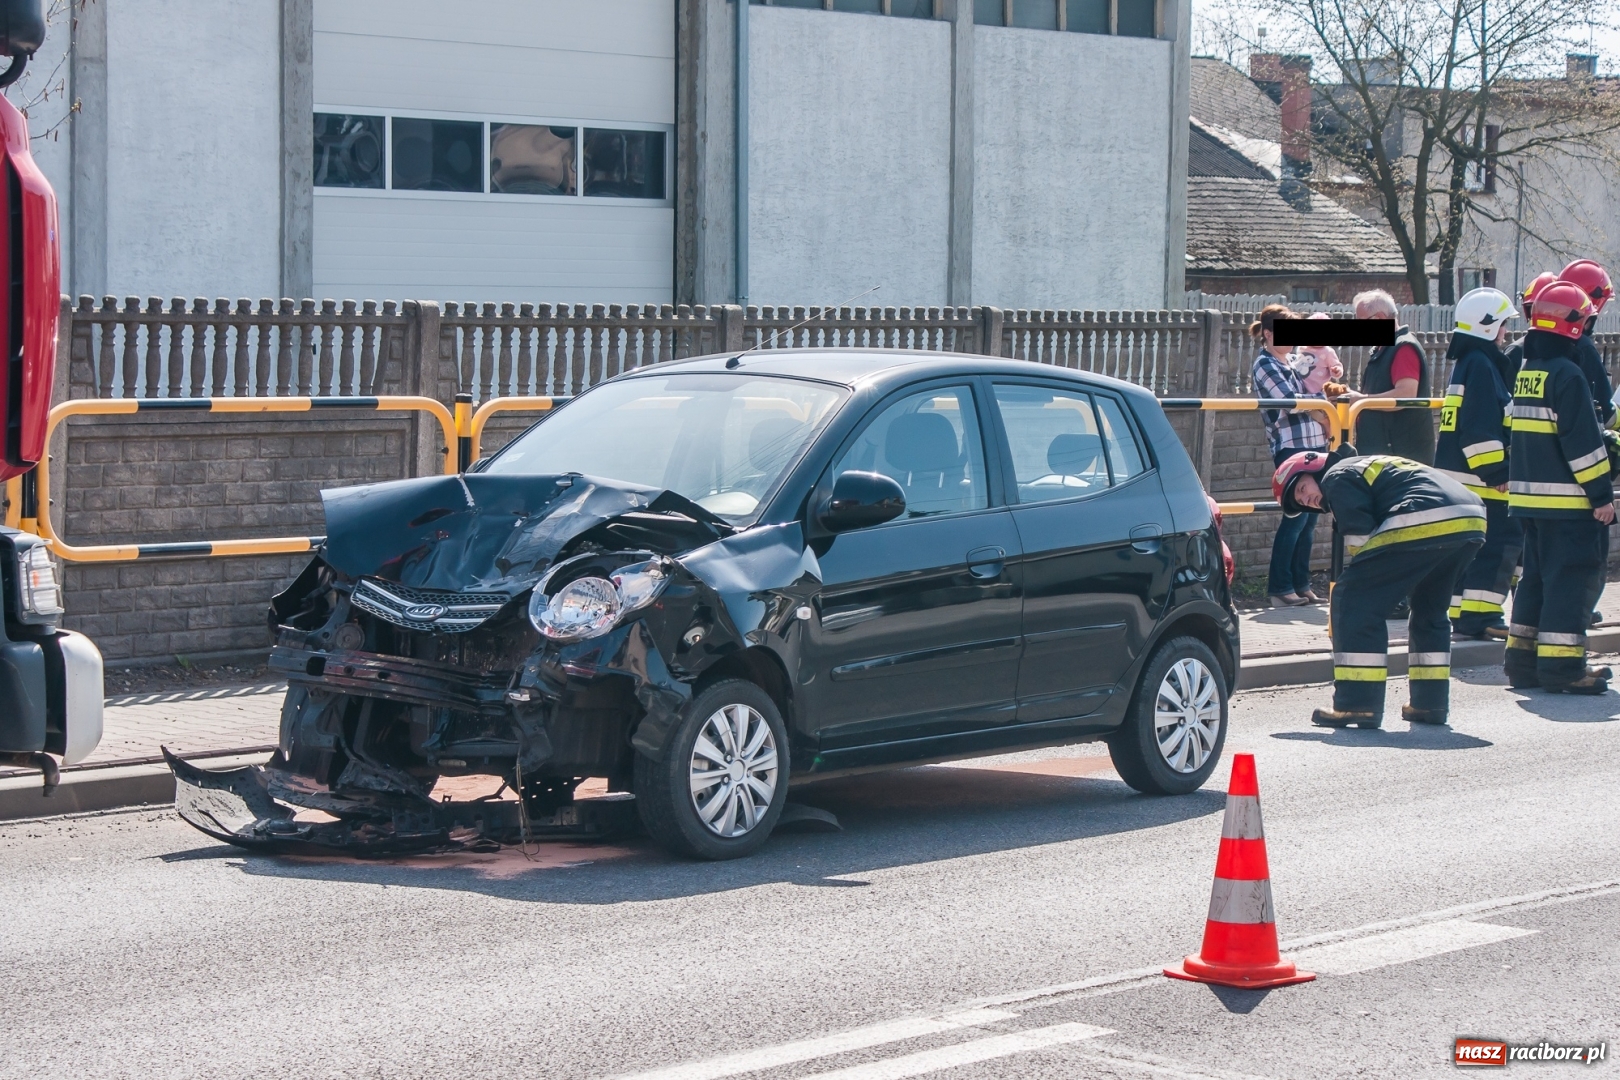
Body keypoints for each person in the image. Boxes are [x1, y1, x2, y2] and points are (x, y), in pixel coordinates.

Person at [1274, 449, 1485, 728]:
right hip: (1471, 517)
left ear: (1314, 469)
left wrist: (1375, 594)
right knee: (1429, 610)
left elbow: (1363, 548)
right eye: (1301, 501)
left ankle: (1356, 704)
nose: (1306, 500)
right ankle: (1430, 703)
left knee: (1352, 598)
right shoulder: (1363, 466)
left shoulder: (1336, 477)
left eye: (1302, 488)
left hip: (1426, 516)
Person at [1504, 281, 1615, 694]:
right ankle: (1563, 669)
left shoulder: (1529, 372)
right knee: (1571, 582)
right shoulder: (1568, 374)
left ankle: (1522, 663)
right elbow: (1582, 444)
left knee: (1535, 580)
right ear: (1573, 325)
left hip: (1529, 502)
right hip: (1570, 504)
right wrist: (1601, 496)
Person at [1434, 288, 1522, 640]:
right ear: (1487, 327)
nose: (1506, 333)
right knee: (1498, 546)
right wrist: (1497, 471)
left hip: (1461, 480)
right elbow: (1480, 427)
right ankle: (1481, 615)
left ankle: (1462, 614)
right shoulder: (1483, 366)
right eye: (1502, 325)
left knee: (1467, 552)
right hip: (1483, 481)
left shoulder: (1469, 363)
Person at [1251, 304, 1326, 606]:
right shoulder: (1264, 364)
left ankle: (1301, 582)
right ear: (1268, 334)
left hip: (1314, 444)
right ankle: (1280, 587)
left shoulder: (1293, 362)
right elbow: (1289, 401)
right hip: (1291, 447)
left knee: (1310, 518)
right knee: (1295, 518)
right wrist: (1322, 402)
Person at [1340, 290, 1435, 464]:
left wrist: (1362, 399)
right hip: (1387, 454)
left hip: (1399, 456)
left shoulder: (1403, 347)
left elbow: (1405, 395)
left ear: (1380, 319)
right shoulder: (1384, 349)